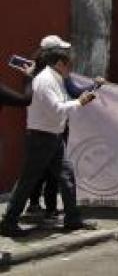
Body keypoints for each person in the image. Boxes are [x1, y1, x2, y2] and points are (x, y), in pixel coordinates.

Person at [0, 36, 98, 237]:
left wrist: (80, 99)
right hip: (41, 137)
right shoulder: (45, 81)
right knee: (28, 180)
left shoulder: (56, 78)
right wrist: (79, 102)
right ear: (59, 63)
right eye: (69, 64)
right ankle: (9, 222)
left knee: (66, 175)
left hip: (53, 136)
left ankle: (73, 219)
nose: (71, 69)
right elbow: (56, 109)